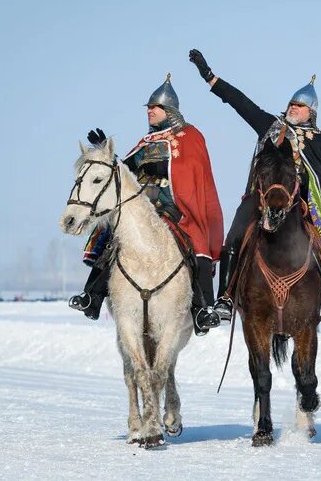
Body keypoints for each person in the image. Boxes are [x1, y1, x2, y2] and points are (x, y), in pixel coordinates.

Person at [188, 48, 321, 333]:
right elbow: (241, 103)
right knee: (236, 235)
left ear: (311, 113)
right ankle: (225, 299)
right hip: (260, 197)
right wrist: (210, 77)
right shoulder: (271, 126)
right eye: (291, 103)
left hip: (301, 202)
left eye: (299, 106)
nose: (293, 108)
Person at [68, 74, 224, 336]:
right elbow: (124, 171)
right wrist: (106, 152)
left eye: (155, 108)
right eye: (149, 108)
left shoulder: (189, 135)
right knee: (115, 233)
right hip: (144, 206)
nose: (150, 112)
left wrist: (164, 166)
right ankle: (92, 296)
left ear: (170, 110)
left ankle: (202, 309)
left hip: (175, 207)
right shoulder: (146, 142)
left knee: (194, 240)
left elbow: (194, 168)